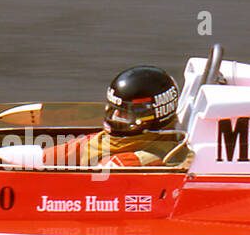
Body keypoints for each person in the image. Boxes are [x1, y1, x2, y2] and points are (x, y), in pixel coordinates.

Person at [42, 66, 183, 167]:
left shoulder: (128, 164)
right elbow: (47, 156)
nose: (115, 116)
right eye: (113, 109)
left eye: (124, 113)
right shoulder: (107, 143)